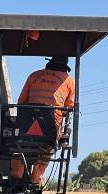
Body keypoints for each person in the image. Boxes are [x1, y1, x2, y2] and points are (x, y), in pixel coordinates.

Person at [12, 55, 75, 185]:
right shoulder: (69, 81)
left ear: (49, 63)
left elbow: (21, 101)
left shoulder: (34, 75)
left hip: (26, 124)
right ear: (65, 67)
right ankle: (35, 179)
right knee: (48, 148)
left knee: (19, 147)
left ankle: (16, 177)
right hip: (51, 128)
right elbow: (68, 108)